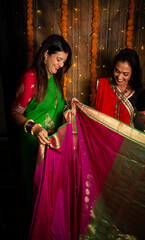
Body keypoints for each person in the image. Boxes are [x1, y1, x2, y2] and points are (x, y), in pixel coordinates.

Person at [11, 34, 72, 234]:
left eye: (64, 61)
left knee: (51, 193)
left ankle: (47, 230)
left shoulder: (54, 79)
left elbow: (57, 107)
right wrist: (34, 128)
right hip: (32, 143)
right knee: (36, 190)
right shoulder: (31, 78)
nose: (61, 65)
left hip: (51, 144)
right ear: (46, 54)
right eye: (58, 59)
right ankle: (34, 231)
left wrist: (68, 110)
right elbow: (15, 112)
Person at [95, 48, 145, 131]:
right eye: (117, 71)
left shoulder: (139, 91)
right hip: (102, 138)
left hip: (126, 141)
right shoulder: (101, 85)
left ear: (133, 73)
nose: (119, 77)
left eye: (125, 74)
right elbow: (91, 114)